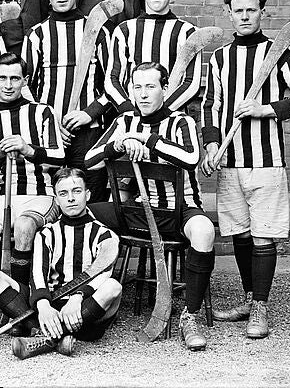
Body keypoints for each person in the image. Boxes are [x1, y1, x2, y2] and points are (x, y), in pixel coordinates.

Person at [200, 0, 290, 340]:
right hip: (230, 160)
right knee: (240, 234)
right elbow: (211, 107)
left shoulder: (278, 52)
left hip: (267, 161)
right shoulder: (219, 58)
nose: (245, 16)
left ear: (262, 12)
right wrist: (211, 146)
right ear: (229, 14)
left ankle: (262, 308)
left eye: (252, 10)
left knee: (264, 235)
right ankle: (249, 300)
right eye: (239, 11)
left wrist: (265, 110)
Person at [85, 62, 217, 350]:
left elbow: (192, 157)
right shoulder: (124, 121)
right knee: (80, 214)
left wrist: (148, 140)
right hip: (133, 213)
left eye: (151, 86)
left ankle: (189, 315)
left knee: (205, 232)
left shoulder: (182, 122)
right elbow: (89, 159)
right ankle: (85, 300)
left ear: (165, 89)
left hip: (178, 211)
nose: (143, 94)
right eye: (138, 87)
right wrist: (119, 145)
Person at [0, 168, 121, 359]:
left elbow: (102, 275)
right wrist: (44, 305)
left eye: (77, 191)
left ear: (87, 194)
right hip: (50, 304)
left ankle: (42, 337)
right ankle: (58, 337)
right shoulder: (46, 233)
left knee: (113, 287)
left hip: (83, 308)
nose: (71, 198)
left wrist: (77, 296)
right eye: (63, 193)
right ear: (56, 199)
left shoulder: (106, 236)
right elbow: (37, 273)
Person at [0, 52, 65, 287]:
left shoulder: (43, 112)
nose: (8, 85)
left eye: (15, 78)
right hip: (0, 197)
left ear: (25, 80)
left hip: (40, 195)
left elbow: (59, 158)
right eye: (2, 78)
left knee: (24, 225)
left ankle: (20, 291)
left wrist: (27, 149)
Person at [22, 0, 111, 202]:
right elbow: (24, 86)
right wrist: (49, 123)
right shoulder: (36, 35)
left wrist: (89, 113)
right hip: (49, 135)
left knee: (90, 199)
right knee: (49, 200)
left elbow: (113, 82)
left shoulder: (97, 31)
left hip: (89, 132)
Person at [104, 0, 200, 114]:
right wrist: (130, 111)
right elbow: (112, 78)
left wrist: (163, 112)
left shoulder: (188, 32)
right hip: (133, 117)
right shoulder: (124, 30)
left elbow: (191, 82)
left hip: (172, 118)